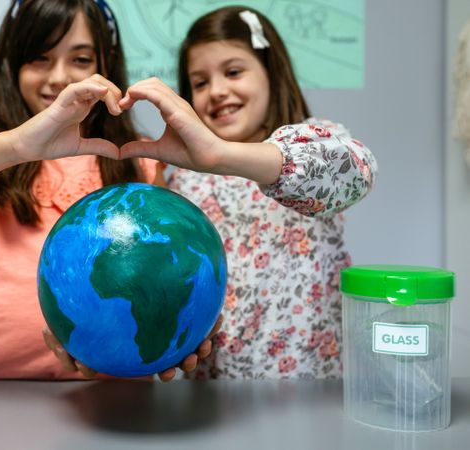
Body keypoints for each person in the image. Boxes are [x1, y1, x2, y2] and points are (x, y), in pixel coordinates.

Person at [0, 0, 215, 380]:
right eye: (40, 58)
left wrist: (174, 333)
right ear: (13, 64)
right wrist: (15, 146)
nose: (60, 78)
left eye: (81, 60)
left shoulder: (137, 158)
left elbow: (164, 274)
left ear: (107, 64)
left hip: (110, 388)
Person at [117, 6, 377, 379]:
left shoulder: (315, 140)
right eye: (200, 82)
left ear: (271, 71)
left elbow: (358, 170)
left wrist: (222, 155)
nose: (218, 91)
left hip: (310, 386)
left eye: (234, 71)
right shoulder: (180, 181)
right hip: (211, 392)